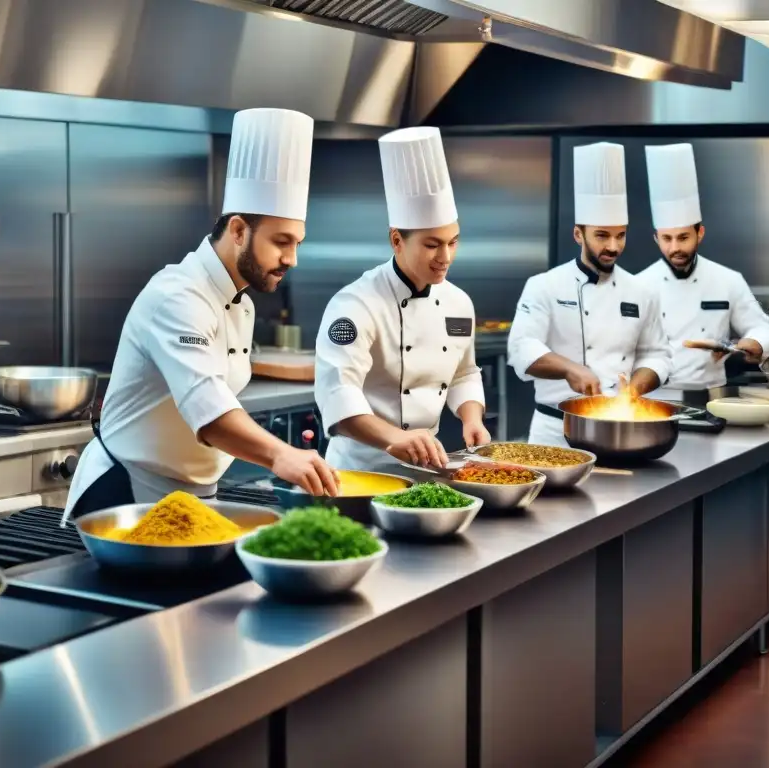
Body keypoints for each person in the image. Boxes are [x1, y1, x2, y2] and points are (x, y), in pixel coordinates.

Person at [63, 108, 337, 524]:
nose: (291, 259)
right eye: (281, 242)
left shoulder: (241, 302)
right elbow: (207, 410)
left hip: (192, 504)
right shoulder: (178, 295)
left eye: (296, 243)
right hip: (127, 496)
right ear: (239, 231)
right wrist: (281, 454)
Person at [314, 126, 488, 471]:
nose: (446, 256)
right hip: (359, 472)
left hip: (427, 469)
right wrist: (396, 437)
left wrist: (472, 418)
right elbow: (338, 399)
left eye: (453, 242)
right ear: (396, 240)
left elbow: (463, 374)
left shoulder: (458, 303)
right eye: (432, 244)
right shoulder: (355, 306)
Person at [507, 142, 671, 446]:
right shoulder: (544, 285)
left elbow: (657, 355)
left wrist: (634, 390)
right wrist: (570, 369)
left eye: (620, 235)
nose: (613, 246)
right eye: (602, 235)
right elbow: (520, 349)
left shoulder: (641, 291)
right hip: (554, 432)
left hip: (618, 428)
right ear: (578, 234)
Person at [638, 143, 769, 389]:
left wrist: (751, 343)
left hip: (712, 396)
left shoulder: (728, 280)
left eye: (683, 237)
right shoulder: (639, 285)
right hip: (655, 399)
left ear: (699, 233)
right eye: (666, 239)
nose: (674, 248)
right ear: (655, 238)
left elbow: (763, 328)